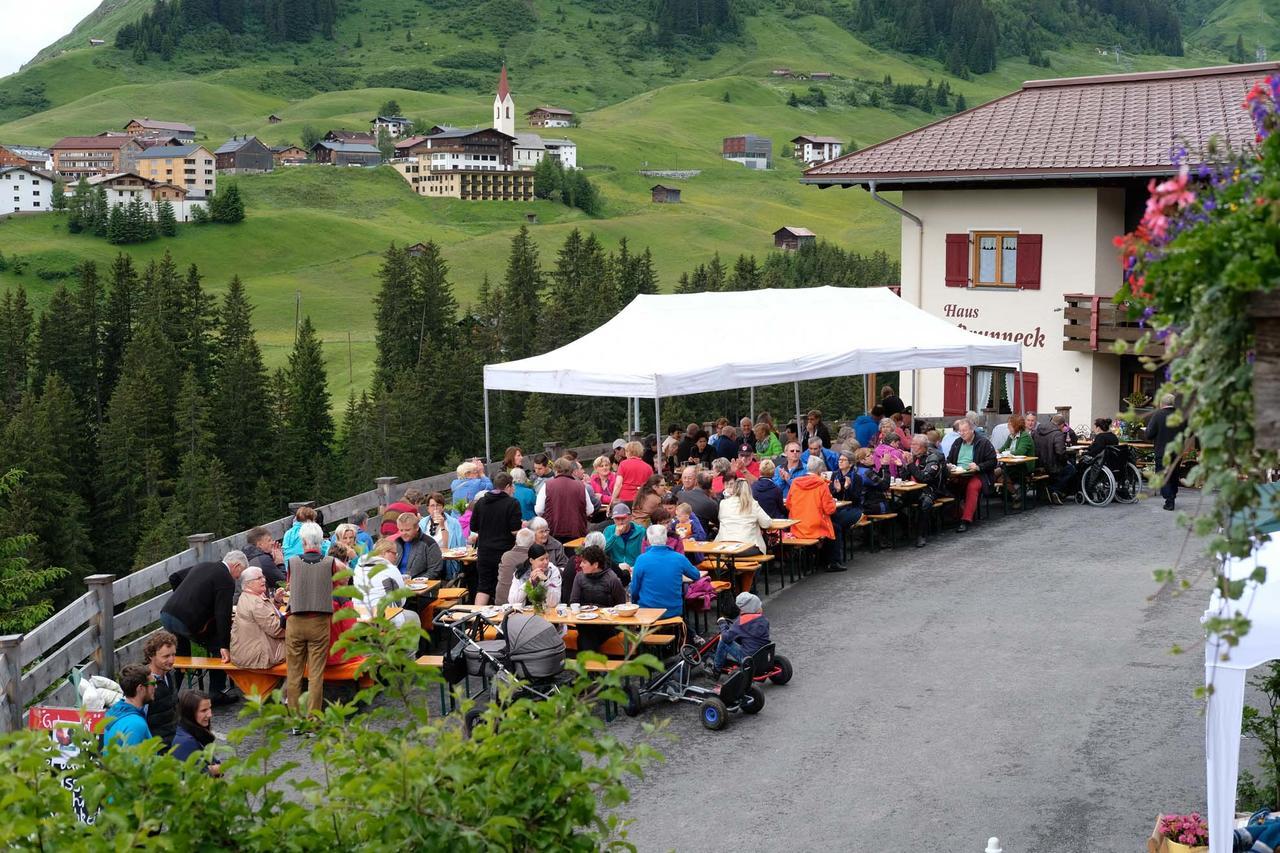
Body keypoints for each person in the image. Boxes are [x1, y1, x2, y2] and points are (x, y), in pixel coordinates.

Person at [161, 550, 248, 705]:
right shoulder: (226, 579)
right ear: (236, 566)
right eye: (239, 574)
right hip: (186, 621)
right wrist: (224, 645)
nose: (237, 578)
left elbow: (174, 577)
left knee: (182, 653)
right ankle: (216, 692)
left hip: (167, 614)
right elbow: (223, 614)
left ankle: (170, 696)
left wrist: (185, 598)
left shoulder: (203, 566)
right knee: (217, 646)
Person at [285, 522, 338, 717]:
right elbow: (341, 578)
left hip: (296, 620)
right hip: (319, 620)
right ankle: (313, 719)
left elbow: (291, 584)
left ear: (303, 541)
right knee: (316, 674)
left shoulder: (292, 562)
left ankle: (295, 719)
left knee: (294, 673)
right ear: (320, 541)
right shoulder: (330, 562)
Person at [630, 524, 702, 627]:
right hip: (673, 611)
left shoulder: (642, 559)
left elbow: (635, 588)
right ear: (666, 538)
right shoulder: (678, 558)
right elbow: (696, 575)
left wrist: (634, 602)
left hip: (647, 611)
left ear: (649, 540)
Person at [470, 472, 523, 606]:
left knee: (483, 587)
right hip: (504, 553)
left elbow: (473, 527)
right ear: (508, 486)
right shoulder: (512, 503)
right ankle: (503, 622)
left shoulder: (481, 502)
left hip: (484, 552)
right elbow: (515, 531)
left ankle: (476, 621)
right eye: (513, 487)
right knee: (505, 586)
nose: (514, 490)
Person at [568, 544, 627, 654]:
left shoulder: (612, 579)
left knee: (584, 638)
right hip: (585, 621)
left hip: (607, 624)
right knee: (587, 632)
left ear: (595, 565)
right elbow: (573, 601)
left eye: (584, 562)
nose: (580, 565)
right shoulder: (580, 577)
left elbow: (621, 605)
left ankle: (589, 668)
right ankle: (593, 668)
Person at [353, 539, 422, 630]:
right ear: (385, 552)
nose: (396, 557)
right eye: (394, 553)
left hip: (359, 615)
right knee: (414, 617)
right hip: (383, 616)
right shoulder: (390, 568)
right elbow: (400, 601)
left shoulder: (359, 567)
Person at [786, 456, 840, 571]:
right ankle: (832, 562)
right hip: (816, 527)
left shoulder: (795, 483)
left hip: (797, 526)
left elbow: (788, 504)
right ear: (820, 471)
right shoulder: (822, 484)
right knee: (836, 528)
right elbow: (829, 509)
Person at [946, 418, 998, 533]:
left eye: (964, 431)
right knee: (947, 485)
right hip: (958, 474)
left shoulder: (983, 442)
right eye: (960, 431)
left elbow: (993, 461)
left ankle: (966, 520)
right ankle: (954, 514)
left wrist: (978, 466)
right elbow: (949, 459)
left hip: (978, 474)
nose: (962, 433)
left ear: (972, 430)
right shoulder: (957, 442)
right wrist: (949, 465)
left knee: (972, 487)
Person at [230, 567, 288, 669]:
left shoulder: (247, 596)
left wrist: (276, 601)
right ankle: (294, 682)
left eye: (263, 577)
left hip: (245, 653)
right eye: (259, 578)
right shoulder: (256, 603)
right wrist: (296, 628)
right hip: (258, 657)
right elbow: (276, 630)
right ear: (248, 583)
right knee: (300, 643)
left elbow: (264, 614)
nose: (264, 580)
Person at [902, 435, 947, 548]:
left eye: (915, 445)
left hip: (932, 489)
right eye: (911, 444)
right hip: (912, 489)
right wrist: (902, 466)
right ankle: (905, 530)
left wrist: (911, 464)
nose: (912, 447)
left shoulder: (933, 458)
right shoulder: (913, 456)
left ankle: (920, 535)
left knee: (925, 503)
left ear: (923, 447)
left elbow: (925, 478)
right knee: (895, 502)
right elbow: (904, 477)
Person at [711, 592, 770, 673]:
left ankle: (716, 668)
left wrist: (722, 624)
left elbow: (726, 637)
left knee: (723, 640)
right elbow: (749, 634)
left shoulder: (741, 622)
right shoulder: (764, 620)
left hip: (748, 658)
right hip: (762, 656)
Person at [713, 477, 772, 556]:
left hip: (724, 545)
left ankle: (731, 568)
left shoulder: (724, 503)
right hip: (747, 546)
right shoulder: (752, 504)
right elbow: (766, 523)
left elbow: (720, 519)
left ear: (734, 489)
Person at [538, 456, 592, 542]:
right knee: (575, 555)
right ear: (570, 470)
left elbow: (539, 510)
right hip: (576, 532)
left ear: (556, 470)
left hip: (554, 533)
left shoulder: (547, 485)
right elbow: (590, 510)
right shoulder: (581, 486)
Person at [102, 665, 154, 753]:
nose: (155, 687)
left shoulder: (114, 712)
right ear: (140, 688)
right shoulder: (136, 724)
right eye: (152, 684)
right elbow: (133, 765)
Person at [1146, 393, 1184, 511]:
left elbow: (1149, 434)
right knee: (1174, 474)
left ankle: (1169, 499)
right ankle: (1172, 495)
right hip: (1177, 451)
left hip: (1162, 451)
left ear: (1162, 403)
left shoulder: (1157, 415)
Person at [170, 690, 222, 775]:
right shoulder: (186, 742)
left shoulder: (192, 732)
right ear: (190, 713)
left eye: (210, 708)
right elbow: (196, 776)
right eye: (204, 710)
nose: (210, 714)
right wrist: (215, 769)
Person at [142, 630, 180, 748]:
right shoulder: (144, 683)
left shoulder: (169, 673)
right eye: (166, 656)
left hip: (174, 741)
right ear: (151, 656)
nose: (172, 660)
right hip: (157, 748)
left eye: (173, 654)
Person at [829, 450, 864, 559]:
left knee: (836, 523)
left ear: (851, 463)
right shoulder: (835, 475)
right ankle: (835, 553)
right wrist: (837, 490)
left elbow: (856, 498)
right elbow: (831, 494)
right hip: (838, 508)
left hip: (854, 508)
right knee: (832, 520)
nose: (840, 462)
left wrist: (847, 488)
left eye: (843, 460)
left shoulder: (856, 477)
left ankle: (837, 554)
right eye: (839, 460)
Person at [996, 414, 1036, 507]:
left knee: (998, 473)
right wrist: (996, 451)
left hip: (1024, 466)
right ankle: (1016, 495)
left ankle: (1015, 495)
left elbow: (1020, 451)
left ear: (1016, 426)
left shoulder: (1024, 436)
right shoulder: (1011, 436)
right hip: (1011, 465)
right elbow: (1003, 448)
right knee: (999, 476)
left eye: (1010, 425)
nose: (1008, 427)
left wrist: (1006, 453)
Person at [1033, 413, 1073, 505]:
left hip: (1038, 464)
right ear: (1062, 425)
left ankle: (1052, 490)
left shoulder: (1037, 430)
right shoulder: (1058, 434)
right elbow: (1060, 453)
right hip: (1052, 466)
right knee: (1071, 469)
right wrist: (1065, 460)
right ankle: (1054, 489)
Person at [508, 543, 562, 607]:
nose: (546, 562)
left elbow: (554, 603)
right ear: (531, 560)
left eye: (547, 558)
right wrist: (529, 583)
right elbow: (512, 601)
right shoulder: (521, 573)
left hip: (547, 612)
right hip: (525, 613)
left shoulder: (553, 571)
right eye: (541, 559)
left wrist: (546, 581)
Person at [394, 511, 444, 580]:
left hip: (421, 584)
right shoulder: (397, 543)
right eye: (401, 530)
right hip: (398, 583)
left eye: (407, 530)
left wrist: (418, 581)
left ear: (417, 528)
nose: (404, 533)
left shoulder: (429, 544)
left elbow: (435, 570)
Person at [602, 503, 643, 578]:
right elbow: (602, 550)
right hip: (615, 569)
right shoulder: (609, 530)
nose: (620, 522)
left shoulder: (641, 531)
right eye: (617, 519)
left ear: (630, 517)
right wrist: (615, 536)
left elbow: (645, 553)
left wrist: (637, 567)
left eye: (623, 518)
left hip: (635, 569)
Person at [496, 528, 537, 603]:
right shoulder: (532, 558)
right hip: (520, 605)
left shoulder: (506, 556)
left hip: (500, 600)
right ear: (533, 543)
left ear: (516, 541)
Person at [610, 440, 654, 505]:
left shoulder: (623, 464)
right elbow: (651, 485)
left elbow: (618, 484)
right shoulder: (648, 467)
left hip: (625, 499)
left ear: (629, 452)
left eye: (626, 451)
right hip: (642, 499)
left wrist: (612, 500)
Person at [853, 447, 892, 515]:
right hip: (872, 506)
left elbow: (877, 479)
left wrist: (882, 467)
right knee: (898, 506)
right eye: (868, 455)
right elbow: (885, 486)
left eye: (871, 454)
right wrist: (886, 466)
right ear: (862, 460)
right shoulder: (866, 472)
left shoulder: (857, 470)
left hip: (862, 506)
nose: (872, 456)